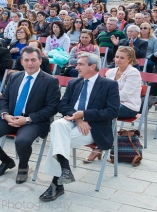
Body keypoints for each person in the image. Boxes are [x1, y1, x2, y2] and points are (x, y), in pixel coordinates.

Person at [39, 52, 120, 201]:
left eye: (80, 64)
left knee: (58, 141)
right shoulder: (74, 83)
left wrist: (85, 115)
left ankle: (56, 183)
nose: (76, 67)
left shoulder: (109, 85)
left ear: (93, 66)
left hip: (94, 128)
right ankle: (64, 171)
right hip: (73, 121)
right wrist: (78, 118)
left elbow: (113, 111)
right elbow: (62, 104)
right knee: (57, 124)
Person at [0, 46, 60, 184]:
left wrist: (27, 119)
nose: (30, 63)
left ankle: (23, 167)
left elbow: (52, 108)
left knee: (22, 141)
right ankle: (5, 161)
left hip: (34, 121)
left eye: (33, 60)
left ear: (40, 61)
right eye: (26, 60)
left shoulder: (50, 81)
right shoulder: (14, 76)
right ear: (21, 62)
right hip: (10, 118)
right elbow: (4, 99)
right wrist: (4, 114)